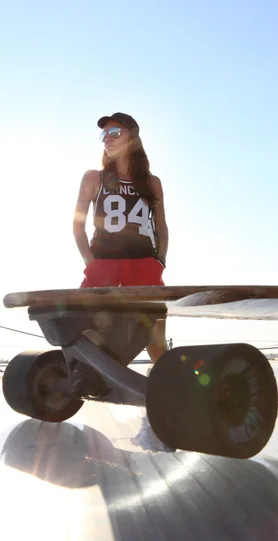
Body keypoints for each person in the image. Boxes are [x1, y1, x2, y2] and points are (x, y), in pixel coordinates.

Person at [73, 112, 169, 363]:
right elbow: (77, 225)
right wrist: (90, 263)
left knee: (156, 345)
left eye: (115, 133)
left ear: (133, 138)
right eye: (104, 134)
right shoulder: (94, 177)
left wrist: (159, 261)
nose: (107, 139)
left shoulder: (152, 183)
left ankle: (169, 390)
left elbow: (161, 228)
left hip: (144, 268)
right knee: (81, 332)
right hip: (102, 266)